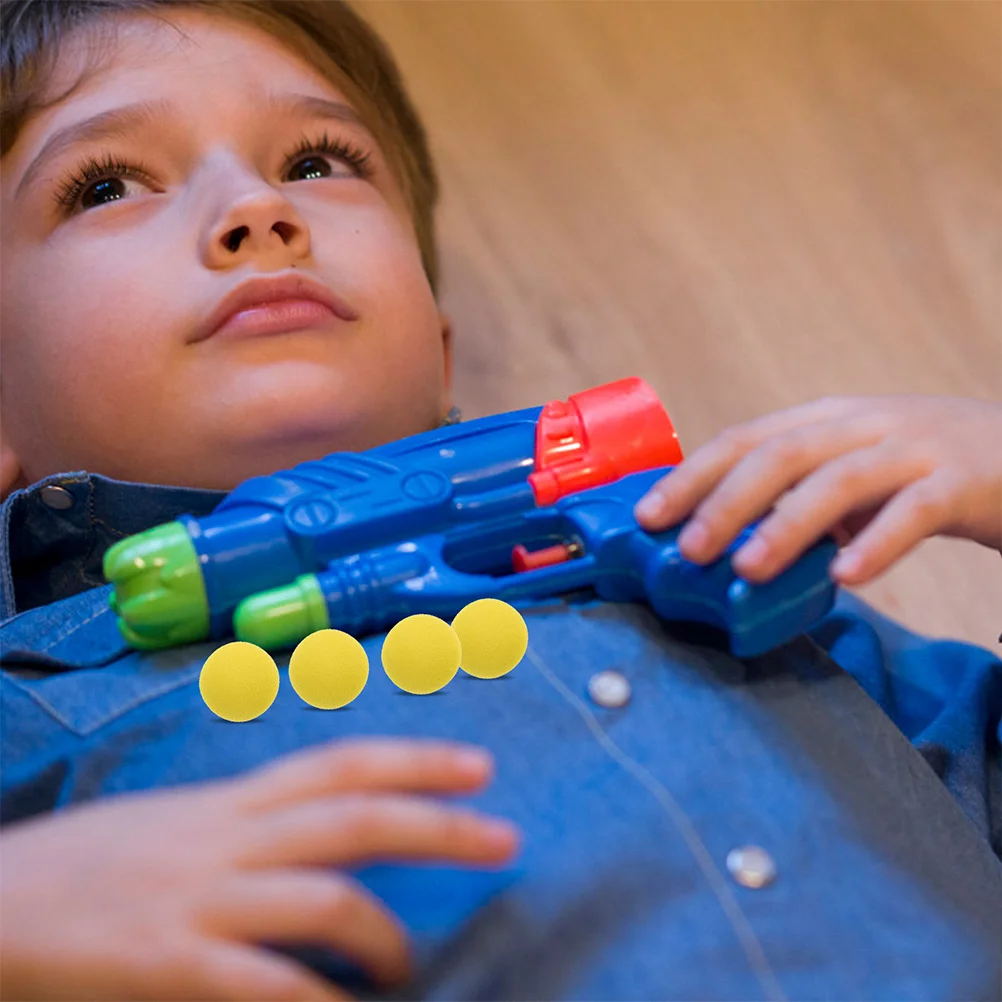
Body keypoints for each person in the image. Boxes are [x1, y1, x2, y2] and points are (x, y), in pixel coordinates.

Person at [1, 1, 999, 999]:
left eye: (316, 162)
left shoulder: (721, 562)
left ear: (437, 352)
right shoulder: (27, 717)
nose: (257, 210)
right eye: (105, 185)